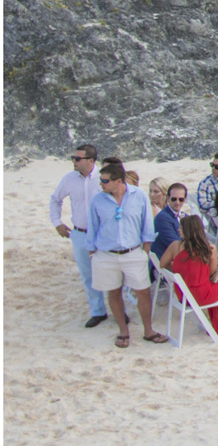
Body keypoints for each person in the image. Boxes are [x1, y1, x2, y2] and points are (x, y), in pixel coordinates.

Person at [84, 159, 161, 346]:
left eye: (105, 180)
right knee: (114, 293)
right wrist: (92, 251)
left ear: (118, 181)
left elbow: (147, 225)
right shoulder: (98, 199)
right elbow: (92, 226)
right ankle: (123, 331)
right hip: (106, 254)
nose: (101, 184)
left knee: (142, 292)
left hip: (133, 252)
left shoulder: (139, 195)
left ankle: (148, 330)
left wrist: (145, 251)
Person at [51, 144, 108, 327]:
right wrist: (57, 222)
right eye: (73, 158)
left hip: (104, 234)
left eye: (77, 158)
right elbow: (55, 199)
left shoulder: (104, 177)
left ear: (91, 161)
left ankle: (120, 310)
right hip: (80, 233)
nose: (74, 161)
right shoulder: (68, 179)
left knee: (112, 271)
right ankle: (98, 311)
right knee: (87, 274)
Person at [171, 216, 218, 336]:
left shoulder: (175, 246)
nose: (178, 230)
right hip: (202, 296)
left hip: (183, 296)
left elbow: (162, 264)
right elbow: (212, 274)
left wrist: (180, 270)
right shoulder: (209, 249)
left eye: (181, 228)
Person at [153, 181, 190, 270]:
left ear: (185, 199)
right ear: (168, 198)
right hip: (167, 264)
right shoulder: (162, 218)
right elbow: (175, 245)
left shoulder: (185, 216)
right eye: (174, 199)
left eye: (181, 199)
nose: (177, 202)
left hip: (180, 259)